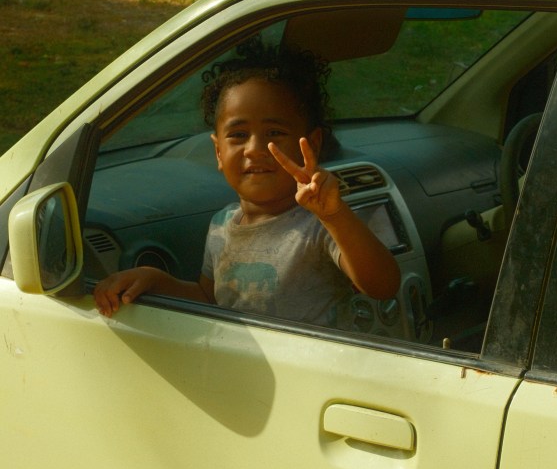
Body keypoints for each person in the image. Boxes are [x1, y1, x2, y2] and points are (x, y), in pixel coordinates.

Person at [94, 39, 400, 326]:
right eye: (239, 135)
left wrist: (335, 215)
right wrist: (155, 280)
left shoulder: (320, 226)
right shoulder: (221, 225)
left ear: (313, 144)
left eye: (275, 133)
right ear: (218, 151)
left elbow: (383, 286)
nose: (254, 149)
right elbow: (211, 301)